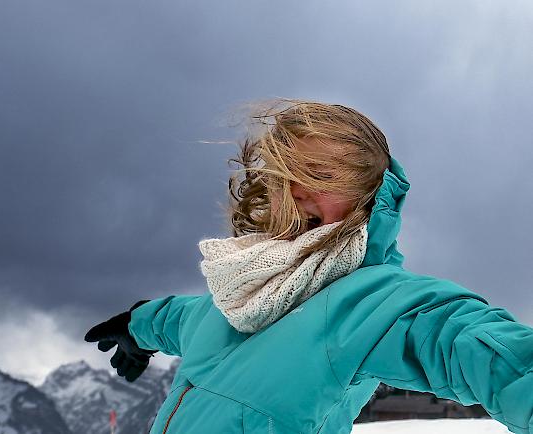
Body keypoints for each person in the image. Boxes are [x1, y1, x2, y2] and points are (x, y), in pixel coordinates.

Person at [84, 99, 533, 434]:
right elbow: (181, 317)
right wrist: (135, 325)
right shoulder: (245, 291)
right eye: (290, 172)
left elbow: (479, 347)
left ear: (366, 198)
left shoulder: (376, 304)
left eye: (322, 176)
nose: (298, 189)